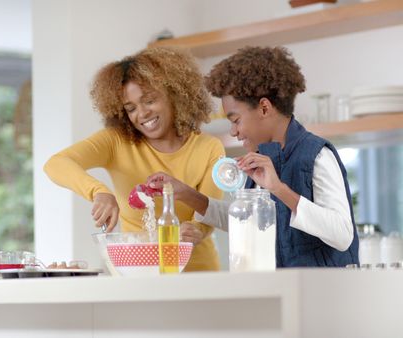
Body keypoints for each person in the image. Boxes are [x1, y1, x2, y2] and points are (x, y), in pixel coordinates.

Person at [147, 46, 359, 267]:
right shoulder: (260, 159)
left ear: (264, 108)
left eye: (236, 120)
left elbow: (343, 235)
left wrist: (279, 189)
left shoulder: (317, 155)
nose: (233, 131)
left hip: (321, 295)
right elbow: (246, 221)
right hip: (279, 292)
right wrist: (188, 194)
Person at [43, 47, 225, 271]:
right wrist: (98, 191)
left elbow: (209, 211)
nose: (142, 114)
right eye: (131, 108)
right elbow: (56, 164)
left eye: (149, 101)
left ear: (174, 95)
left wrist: (196, 229)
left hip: (198, 274)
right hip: (137, 273)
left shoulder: (208, 147)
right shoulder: (116, 141)